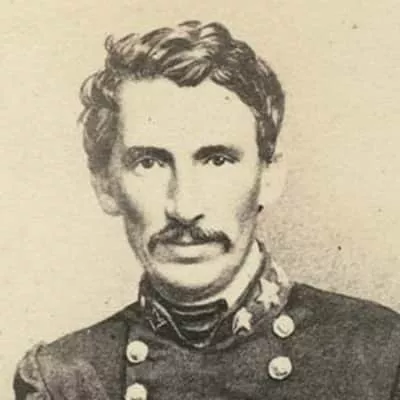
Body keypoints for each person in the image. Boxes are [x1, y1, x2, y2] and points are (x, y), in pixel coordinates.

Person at [13, 20, 400, 400]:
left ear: (270, 175)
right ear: (105, 184)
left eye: (217, 160)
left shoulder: (381, 354)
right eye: (150, 162)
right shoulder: (62, 379)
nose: (184, 207)